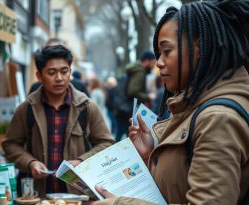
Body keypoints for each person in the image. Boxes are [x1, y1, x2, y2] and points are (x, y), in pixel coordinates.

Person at [91, 1, 249, 204]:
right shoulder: (198, 107)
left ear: (200, 47)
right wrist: (152, 156)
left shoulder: (217, 118)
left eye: (167, 51)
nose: (159, 62)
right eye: (158, 54)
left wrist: (119, 203)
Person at [2, 45, 114, 196]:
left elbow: (106, 143)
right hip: (38, 196)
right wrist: (30, 163)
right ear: (39, 76)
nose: (59, 78)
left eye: (64, 71)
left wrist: (81, 161)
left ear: (70, 72)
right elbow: (10, 144)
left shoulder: (87, 107)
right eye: (52, 72)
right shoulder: (27, 108)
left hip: (77, 196)